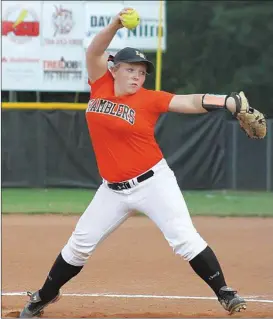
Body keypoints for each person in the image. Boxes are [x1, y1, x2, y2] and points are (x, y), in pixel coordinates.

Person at [20, 8, 247, 318]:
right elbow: (94, 50)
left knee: (183, 238)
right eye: (131, 70)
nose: (138, 77)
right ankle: (43, 297)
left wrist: (226, 102)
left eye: (142, 72)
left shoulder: (148, 99)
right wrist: (114, 23)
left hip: (153, 181)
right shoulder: (99, 83)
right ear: (114, 70)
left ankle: (225, 292)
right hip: (112, 189)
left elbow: (189, 101)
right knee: (79, 245)